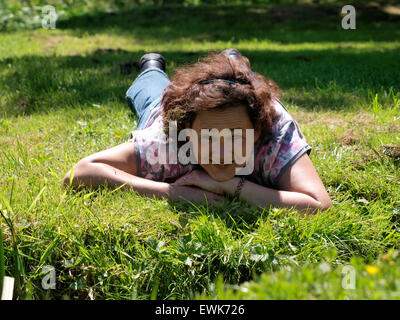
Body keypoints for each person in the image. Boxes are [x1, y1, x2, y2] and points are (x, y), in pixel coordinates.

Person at [62, 49, 332, 214]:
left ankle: (234, 62)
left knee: (245, 81)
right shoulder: (169, 140)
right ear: (188, 133)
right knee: (154, 93)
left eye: (237, 136)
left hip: (249, 98)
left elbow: (319, 205)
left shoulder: (275, 135)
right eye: (208, 137)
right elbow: (79, 173)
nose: (222, 152)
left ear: (257, 131)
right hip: (163, 106)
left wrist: (230, 185)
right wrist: (175, 193)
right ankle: (151, 67)